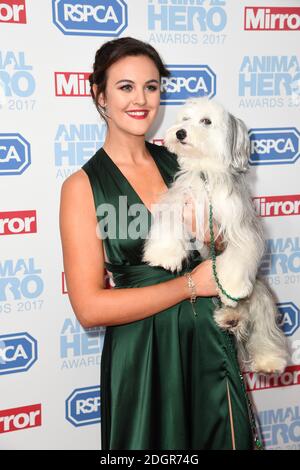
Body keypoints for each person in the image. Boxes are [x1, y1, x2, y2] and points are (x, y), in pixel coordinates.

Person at [59, 37, 257, 450]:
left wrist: (209, 237)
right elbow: (89, 308)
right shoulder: (82, 187)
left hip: (207, 346)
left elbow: (232, 247)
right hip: (142, 359)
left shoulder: (186, 160)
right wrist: (190, 286)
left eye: (151, 86)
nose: (142, 99)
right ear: (99, 95)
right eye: (126, 87)